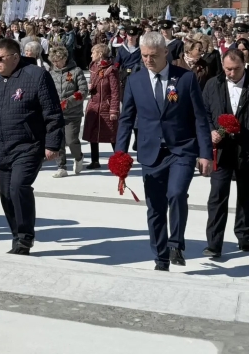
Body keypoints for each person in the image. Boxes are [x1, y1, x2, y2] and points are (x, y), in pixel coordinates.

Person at [115, 31, 212, 271]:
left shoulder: (185, 79)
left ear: (165, 53)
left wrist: (205, 153)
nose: (148, 60)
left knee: (176, 194)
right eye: (144, 55)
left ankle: (176, 243)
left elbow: (200, 118)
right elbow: (126, 119)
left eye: (153, 56)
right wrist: (120, 153)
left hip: (182, 149)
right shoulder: (135, 81)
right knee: (155, 207)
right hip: (151, 153)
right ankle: (160, 257)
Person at [0, 38, 64, 255]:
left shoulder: (36, 76)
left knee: (18, 188)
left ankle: (25, 238)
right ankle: (16, 235)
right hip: (1, 148)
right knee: (6, 194)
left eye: (0, 58)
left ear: (15, 57)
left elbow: (52, 112)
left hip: (28, 146)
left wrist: (52, 143)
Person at [202, 49, 249, 258]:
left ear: (244, 64)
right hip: (221, 151)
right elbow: (203, 112)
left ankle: (245, 237)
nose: (231, 73)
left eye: (236, 69)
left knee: (246, 196)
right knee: (217, 195)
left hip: (246, 150)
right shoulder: (213, 84)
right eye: (228, 69)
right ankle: (214, 243)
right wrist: (211, 130)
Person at [48, 45, 88, 178]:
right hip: (56, 114)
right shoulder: (51, 73)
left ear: (65, 58)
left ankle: (78, 157)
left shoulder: (76, 71)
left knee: (71, 140)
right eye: (53, 61)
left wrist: (67, 102)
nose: (56, 63)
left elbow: (83, 91)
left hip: (72, 113)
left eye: (58, 60)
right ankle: (61, 167)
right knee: (58, 141)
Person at [83, 43, 120, 170]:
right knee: (93, 134)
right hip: (93, 105)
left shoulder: (112, 70)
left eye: (93, 52)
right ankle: (95, 160)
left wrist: (114, 109)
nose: (91, 54)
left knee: (111, 134)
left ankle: (119, 160)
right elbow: (92, 84)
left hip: (106, 106)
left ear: (99, 54)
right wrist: (89, 88)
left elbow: (115, 91)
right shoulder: (93, 66)